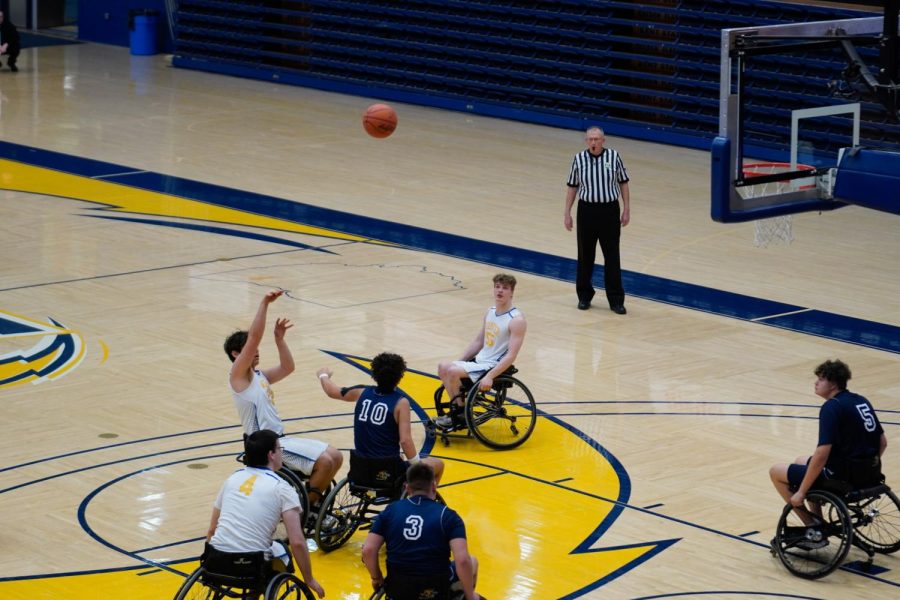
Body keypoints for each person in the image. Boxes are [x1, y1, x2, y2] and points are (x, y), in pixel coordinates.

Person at [224, 290, 343, 520]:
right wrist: (264, 303)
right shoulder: (238, 377)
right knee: (325, 461)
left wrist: (279, 340)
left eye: (256, 349)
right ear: (236, 354)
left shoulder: (258, 376)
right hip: (262, 447)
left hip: (279, 439)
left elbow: (287, 368)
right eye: (249, 348)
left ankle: (312, 505)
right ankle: (304, 513)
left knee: (336, 456)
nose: (256, 351)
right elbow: (255, 337)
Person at [769, 359, 887, 541]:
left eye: (821, 379)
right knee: (801, 460)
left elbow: (822, 454)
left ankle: (812, 525)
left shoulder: (832, 407)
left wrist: (801, 492)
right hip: (870, 473)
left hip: (841, 476)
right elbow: (883, 442)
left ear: (832, 384)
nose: (816, 383)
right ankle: (819, 520)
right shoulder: (860, 400)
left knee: (776, 472)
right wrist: (865, 465)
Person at [205, 429, 325, 598]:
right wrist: (309, 579)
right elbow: (297, 542)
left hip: (216, 560)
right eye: (279, 449)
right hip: (250, 565)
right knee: (282, 552)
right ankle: (257, 592)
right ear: (271, 455)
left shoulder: (232, 479)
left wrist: (209, 560)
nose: (281, 453)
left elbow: (212, 530)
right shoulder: (283, 489)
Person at [316, 352, 444, 484]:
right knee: (437, 464)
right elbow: (405, 441)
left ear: (373, 374)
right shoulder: (401, 403)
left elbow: (332, 391)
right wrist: (417, 465)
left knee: (398, 456)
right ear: (400, 377)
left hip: (360, 467)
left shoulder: (361, 392)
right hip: (386, 471)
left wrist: (323, 375)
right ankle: (421, 501)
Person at [362, 463, 480, 600]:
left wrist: (376, 578)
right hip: (435, 588)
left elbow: (368, 550)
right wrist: (471, 596)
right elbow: (463, 560)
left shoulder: (391, 511)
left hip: (397, 588)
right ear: (434, 486)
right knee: (472, 561)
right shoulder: (448, 516)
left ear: (407, 488)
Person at [434, 273, 526, 429]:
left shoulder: (516, 320)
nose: (500, 291)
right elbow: (478, 342)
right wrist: (460, 362)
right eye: (497, 287)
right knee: (443, 367)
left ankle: (460, 414)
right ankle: (459, 410)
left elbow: (511, 356)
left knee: (452, 372)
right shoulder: (490, 311)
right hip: (479, 361)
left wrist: (490, 377)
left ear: (512, 292)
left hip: (492, 365)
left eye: (505, 288)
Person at [564, 126, 630, 314]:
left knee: (612, 256)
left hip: (609, 210)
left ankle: (616, 300)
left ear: (603, 140)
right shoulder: (578, 159)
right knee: (585, 255)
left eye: (597, 139)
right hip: (586, 211)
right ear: (586, 141)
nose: (593, 142)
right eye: (590, 139)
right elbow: (572, 187)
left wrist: (626, 209)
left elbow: (623, 182)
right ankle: (584, 296)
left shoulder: (614, 157)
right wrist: (567, 213)